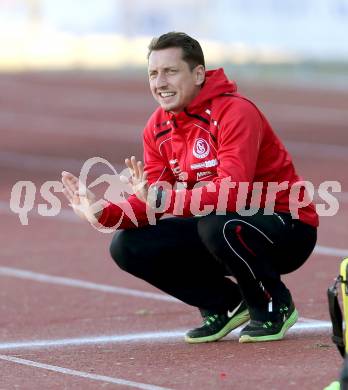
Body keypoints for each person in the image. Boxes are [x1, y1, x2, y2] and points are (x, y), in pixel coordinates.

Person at [61, 32, 318, 344]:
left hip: (285, 225)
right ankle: (224, 304)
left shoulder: (235, 112)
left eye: (170, 71)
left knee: (215, 224)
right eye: (153, 74)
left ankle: (273, 305)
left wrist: (164, 198)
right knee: (127, 246)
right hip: (223, 223)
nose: (160, 83)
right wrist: (102, 213)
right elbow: (152, 198)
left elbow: (231, 192)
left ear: (198, 74)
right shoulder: (157, 127)